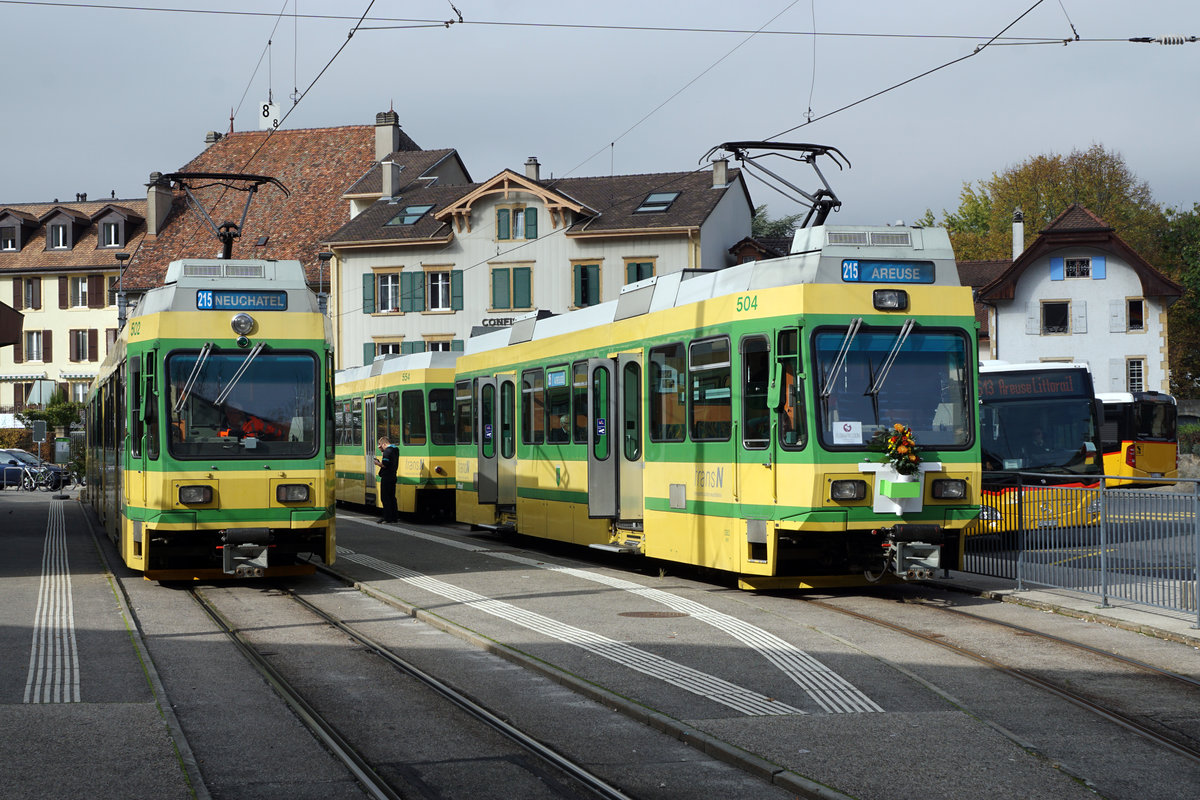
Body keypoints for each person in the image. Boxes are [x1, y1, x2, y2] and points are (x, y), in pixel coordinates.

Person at [374, 435, 399, 523]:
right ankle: (394, 518)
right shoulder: (395, 449)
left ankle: (387, 518)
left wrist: (377, 463)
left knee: (385, 498)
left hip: (386, 477)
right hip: (393, 476)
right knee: (392, 497)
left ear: (383, 444)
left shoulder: (387, 451)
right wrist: (382, 451)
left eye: (380, 446)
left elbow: (385, 464)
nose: (380, 447)